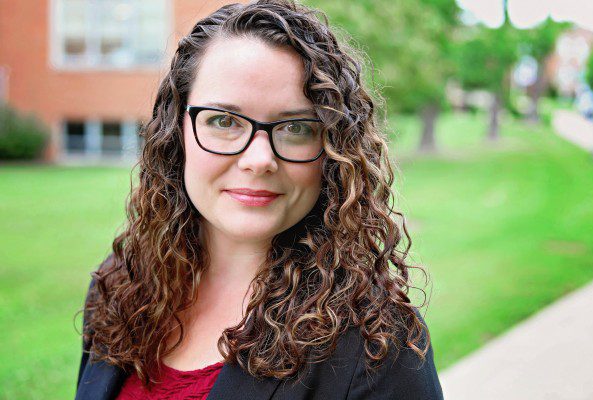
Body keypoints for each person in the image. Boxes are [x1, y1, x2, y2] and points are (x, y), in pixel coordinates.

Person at [75, 1, 444, 399]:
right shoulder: (120, 286)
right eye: (223, 121)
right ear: (175, 131)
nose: (259, 160)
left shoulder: (377, 344)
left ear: (333, 150)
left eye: (296, 128)